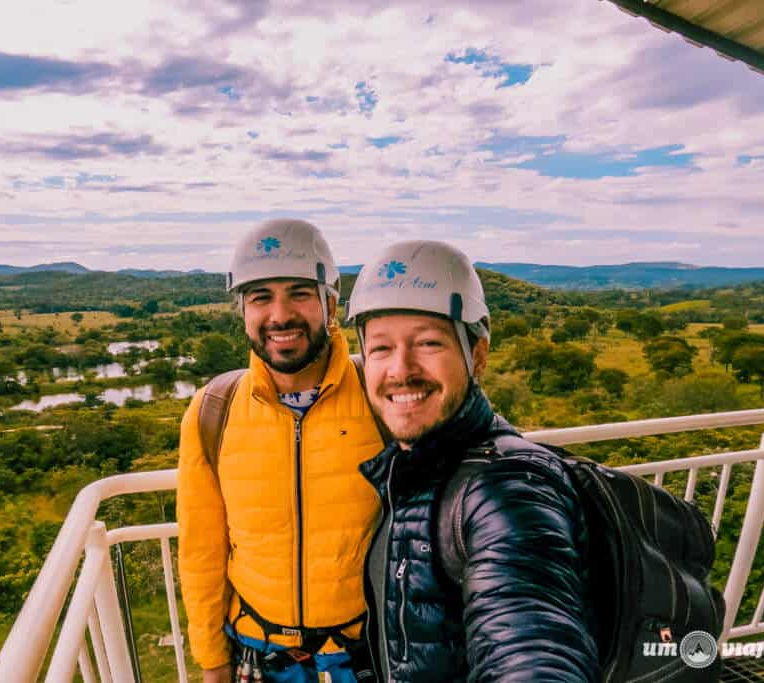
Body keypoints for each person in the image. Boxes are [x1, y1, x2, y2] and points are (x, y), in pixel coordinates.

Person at [347, 240, 600, 682]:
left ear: (477, 355)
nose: (400, 369)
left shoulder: (506, 486)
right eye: (381, 348)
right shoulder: (414, 469)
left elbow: (529, 638)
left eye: (428, 342)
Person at [177, 219, 384, 683]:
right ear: (243, 311)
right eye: (261, 298)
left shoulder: (379, 396)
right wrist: (212, 662)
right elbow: (201, 551)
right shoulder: (215, 409)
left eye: (299, 293)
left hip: (366, 652)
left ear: (331, 303)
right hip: (257, 653)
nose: (280, 315)